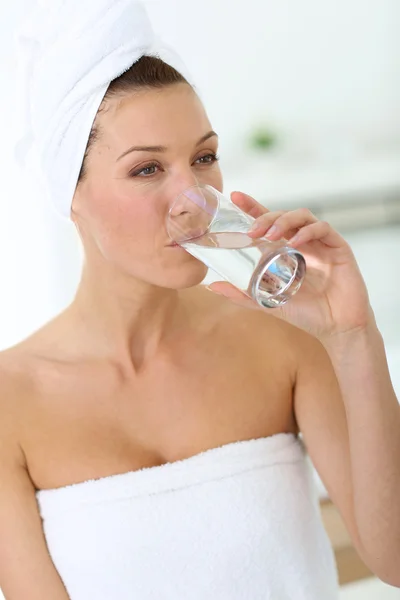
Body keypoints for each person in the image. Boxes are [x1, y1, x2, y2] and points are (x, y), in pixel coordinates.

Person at [1, 2, 399, 599]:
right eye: (146, 170)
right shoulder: (13, 404)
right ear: (70, 192)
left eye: (204, 158)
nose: (191, 197)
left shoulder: (281, 338)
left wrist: (353, 337)